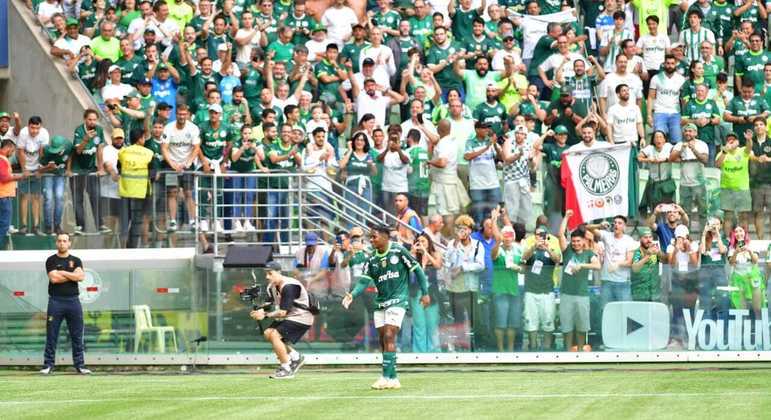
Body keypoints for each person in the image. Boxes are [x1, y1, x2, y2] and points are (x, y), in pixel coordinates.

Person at [343, 223, 430, 390]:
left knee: (389, 334)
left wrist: (425, 292)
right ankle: (393, 378)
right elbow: (363, 281)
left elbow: (417, 269)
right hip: (380, 302)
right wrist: (352, 294)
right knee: (384, 339)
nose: (371, 240)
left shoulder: (398, 250)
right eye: (370, 237)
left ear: (384, 236)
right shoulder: (371, 259)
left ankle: (384, 376)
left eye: (374, 236)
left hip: (398, 300)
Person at [250, 261, 314, 379]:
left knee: (275, 335)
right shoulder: (272, 287)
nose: (267, 277)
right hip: (291, 316)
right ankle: (296, 357)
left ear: (279, 272)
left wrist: (265, 315)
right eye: (266, 274)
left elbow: (283, 312)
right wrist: (260, 310)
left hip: (302, 317)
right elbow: (269, 304)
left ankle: (286, 368)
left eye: (270, 273)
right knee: (268, 333)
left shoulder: (289, 286)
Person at [41, 233, 91, 375]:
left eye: (65, 241)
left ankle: (80, 365)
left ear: (69, 243)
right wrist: (71, 275)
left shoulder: (76, 260)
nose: (62, 243)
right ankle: (48, 365)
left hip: (73, 301)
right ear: (56, 243)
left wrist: (62, 272)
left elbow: (81, 277)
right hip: (56, 301)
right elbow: (54, 279)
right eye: (60, 241)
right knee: (52, 334)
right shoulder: (50, 260)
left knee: (77, 335)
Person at [558, 210, 600, 351]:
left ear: (583, 241)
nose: (575, 243)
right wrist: (566, 218)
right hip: (566, 294)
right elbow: (560, 234)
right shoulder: (567, 250)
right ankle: (568, 350)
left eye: (578, 241)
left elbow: (598, 265)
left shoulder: (589, 253)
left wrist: (581, 265)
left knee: (582, 325)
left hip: (582, 294)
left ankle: (580, 351)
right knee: (567, 325)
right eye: (573, 241)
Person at [118, 128, 155, 248]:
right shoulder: (148, 153)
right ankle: (133, 247)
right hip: (142, 192)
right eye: (144, 137)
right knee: (137, 221)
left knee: (125, 221)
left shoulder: (123, 152)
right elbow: (153, 174)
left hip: (126, 191)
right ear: (140, 139)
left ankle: (124, 246)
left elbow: (118, 167)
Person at [16, 116, 50, 235]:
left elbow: (43, 152)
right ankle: (24, 225)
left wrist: (40, 169)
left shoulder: (44, 133)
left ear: (40, 127)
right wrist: (24, 169)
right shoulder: (23, 133)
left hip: (37, 167)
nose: (34, 131)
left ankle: (36, 226)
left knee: (36, 197)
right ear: (28, 126)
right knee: (24, 196)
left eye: (37, 128)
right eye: (32, 128)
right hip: (25, 166)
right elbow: (20, 152)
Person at [409, 232, 443, 353]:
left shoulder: (435, 254)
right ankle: (419, 353)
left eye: (423, 241)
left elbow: (438, 265)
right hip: (416, 293)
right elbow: (408, 270)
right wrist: (412, 254)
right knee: (419, 324)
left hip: (432, 293)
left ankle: (434, 353)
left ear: (429, 242)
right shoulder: (413, 257)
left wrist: (426, 254)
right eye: (419, 242)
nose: (421, 244)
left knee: (432, 324)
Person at [667, 225, 699, 348]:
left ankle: (690, 337)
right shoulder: (671, 246)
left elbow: (695, 263)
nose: (680, 239)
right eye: (678, 236)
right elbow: (672, 264)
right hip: (677, 279)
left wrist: (689, 249)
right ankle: (676, 338)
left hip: (690, 280)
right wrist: (676, 250)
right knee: (677, 309)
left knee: (690, 309)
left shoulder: (694, 245)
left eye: (683, 236)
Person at [716, 131, 752, 236]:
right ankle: (727, 241)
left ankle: (744, 241)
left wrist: (749, 139)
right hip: (727, 188)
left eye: (734, 139)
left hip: (743, 188)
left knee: (743, 216)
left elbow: (749, 148)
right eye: (729, 139)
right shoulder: (722, 153)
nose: (731, 141)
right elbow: (718, 164)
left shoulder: (742, 151)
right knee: (728, 216)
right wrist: (725, 151)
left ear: (738, 142)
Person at [727, 225, 764, 318]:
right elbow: (731, 263)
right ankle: (743, 328)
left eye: (741, 230)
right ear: (733, 235)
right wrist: (736, 252)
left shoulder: (752, 244)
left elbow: (755, 260)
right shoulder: (731, 248)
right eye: (736, 231)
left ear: (745, 232)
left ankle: (759, 327)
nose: (739, 233)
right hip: (739, 278)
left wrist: (749, 251)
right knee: (741, 309)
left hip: (753, 278)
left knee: (758, 307)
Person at [38, 136, 72, 235]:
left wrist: (68, 169)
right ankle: (48, 226)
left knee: (59, 197)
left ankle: (57, 226)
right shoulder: (46, 151)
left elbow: (70, 156)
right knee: (48, 199)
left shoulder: (68, 145)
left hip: (60, 175)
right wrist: (48, 167)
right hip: (48, 175)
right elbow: (39, 170)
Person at [0, 140, 24, 250]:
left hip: (4, 196)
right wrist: (19, 176)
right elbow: (4, 178)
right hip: (3, 196)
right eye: (13, 150)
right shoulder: (2, 160)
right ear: (8, 148)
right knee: (4, 225)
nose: (12, 153)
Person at [631, 227, 665, 302]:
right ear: (640, 239)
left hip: (654, 293)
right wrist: (647, 256)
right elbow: (635, 268)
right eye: (645, 237)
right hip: (640, 294)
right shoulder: (637, 252)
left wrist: (659, 252)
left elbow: (665, 261)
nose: (649, 240)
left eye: (650, 237)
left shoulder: (655, 251)